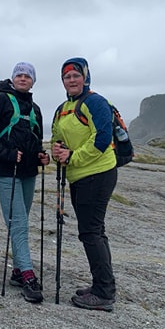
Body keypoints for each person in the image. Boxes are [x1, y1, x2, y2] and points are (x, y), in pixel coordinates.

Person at [51, 57, 118, 312]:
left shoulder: (95, 102)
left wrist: (72, 157)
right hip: (79, 176)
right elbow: (56, 137)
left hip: (98, 174)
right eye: (66, 77)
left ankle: (104, 292)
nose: (71, 80)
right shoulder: (63, 108)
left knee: (90, 232)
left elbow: (102, 139)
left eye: (76, 75)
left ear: (85, 78)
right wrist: (57, 151)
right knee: (95, 231)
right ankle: (102, 285)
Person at [0, 62, 50, 303]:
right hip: (6, 172)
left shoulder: (35, 108)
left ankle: (18, 272)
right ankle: (28, 275)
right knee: (18, 223)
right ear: (12, 78)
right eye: (19, 75)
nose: (22, 78)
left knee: (22, 221)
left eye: (27, 76)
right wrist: (7, 154)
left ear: (33, 81)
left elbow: (35, 140)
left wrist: (40, 155)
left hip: (29, 172)